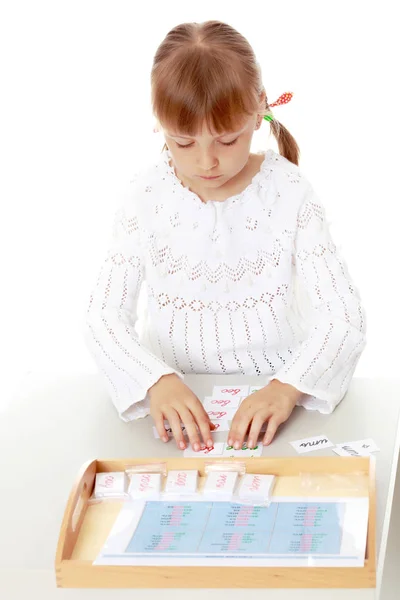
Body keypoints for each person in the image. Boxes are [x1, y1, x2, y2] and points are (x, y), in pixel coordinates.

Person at [83, 20, 366, 453]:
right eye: (183, 143)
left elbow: (343, 316)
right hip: (174, 422)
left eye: (227, 140)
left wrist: (285, 388)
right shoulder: (144, 197)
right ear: (158, 124)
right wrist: (155, 381)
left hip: (278, 416)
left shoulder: (289, 192)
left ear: (259, 112)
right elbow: (103, 316)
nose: (206, 161)